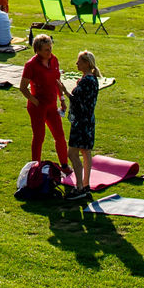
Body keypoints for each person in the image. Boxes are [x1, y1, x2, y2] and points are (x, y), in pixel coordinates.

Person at [19, 34, 68, 167]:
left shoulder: (54, 60)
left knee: (60, 135)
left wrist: (62, 99)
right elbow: (23, 87)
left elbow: (57, 81)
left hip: (52, 105)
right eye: (46, 49)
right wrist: (34, 101)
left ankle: (64, 164)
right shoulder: (31, 65)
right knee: (39, 137)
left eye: (50, 48)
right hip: (38, 106)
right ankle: (35, 166)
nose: (49, 52)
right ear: (38, 50)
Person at [67, 50, 101, 194]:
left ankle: (79, 186)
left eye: (79, 61)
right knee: (86, 152)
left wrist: (64, 91)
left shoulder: (87, 80)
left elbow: (77, 100)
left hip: (81, 121)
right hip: (88, 120)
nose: (76, 63)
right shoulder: (92, 79)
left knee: (72, 153)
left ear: (86, 63)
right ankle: (86, 184)